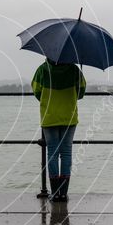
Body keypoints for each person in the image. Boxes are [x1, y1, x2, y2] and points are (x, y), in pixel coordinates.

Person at [31, 58, 86, 201]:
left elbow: (37, 91)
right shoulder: (74, 70)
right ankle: (63, 193)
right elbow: (81, 93)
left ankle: (55, 193)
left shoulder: (42, 70)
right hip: (69, 117)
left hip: (49, 117)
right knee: (66, 153)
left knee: (52, 153)